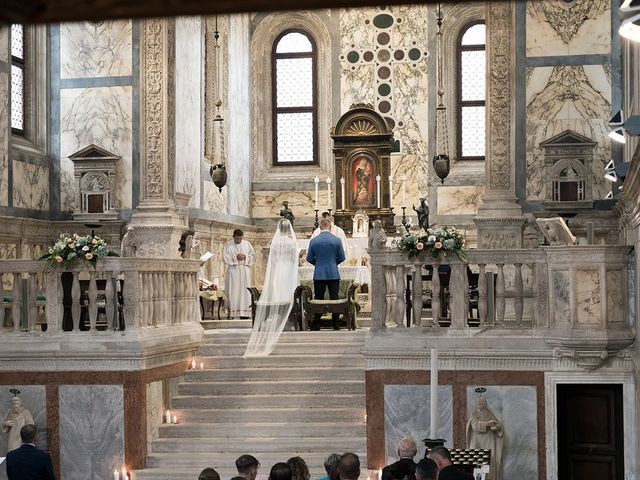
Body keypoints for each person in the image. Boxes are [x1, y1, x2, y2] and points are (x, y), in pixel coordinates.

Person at [244, 219, 299, 357]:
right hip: (288, 270)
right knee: (289, 293)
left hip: (279, 269)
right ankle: (288, 320)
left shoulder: (275, 242)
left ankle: (279, 319)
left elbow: (273, 260)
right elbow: (294, 259)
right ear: (289, 229)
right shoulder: (292, 242)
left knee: (279, 293)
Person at [306, 218, 346, 330]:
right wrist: (333, 263)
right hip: (333, 273)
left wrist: (318, 264)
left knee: (318, 298)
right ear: (330, 227)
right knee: (335, 298)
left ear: (320, 227)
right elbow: (342, 257)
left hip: (319, 273)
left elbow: (309, 258)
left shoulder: (314, 241)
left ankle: (316, 323)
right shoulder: (336, 240)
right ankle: (336, 324)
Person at [466, 395, 503, 480]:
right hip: (477, 442)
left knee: (490, 462)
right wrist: (487, 424)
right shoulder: (474, 414)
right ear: (476, 403)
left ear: (484, 403)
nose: (480, 404)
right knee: (477, 464)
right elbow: (475, 426)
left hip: (488, 441)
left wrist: (497, 427)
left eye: (482, 402)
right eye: (478, 403)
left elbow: (497, 423)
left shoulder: (488, 413)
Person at [224, 229, 257, 318]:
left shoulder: (247, 244)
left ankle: (245, 313)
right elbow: (225, 257)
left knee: (245, 291)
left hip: (244, 269)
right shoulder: (228, 244)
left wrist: (245, 257)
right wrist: (236, 258)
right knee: (234, 291)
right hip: (233, 270)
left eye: (240, 239)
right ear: (233, 237)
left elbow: (253, 256)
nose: (239, 241)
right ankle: (233, 313)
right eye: (237, 239)